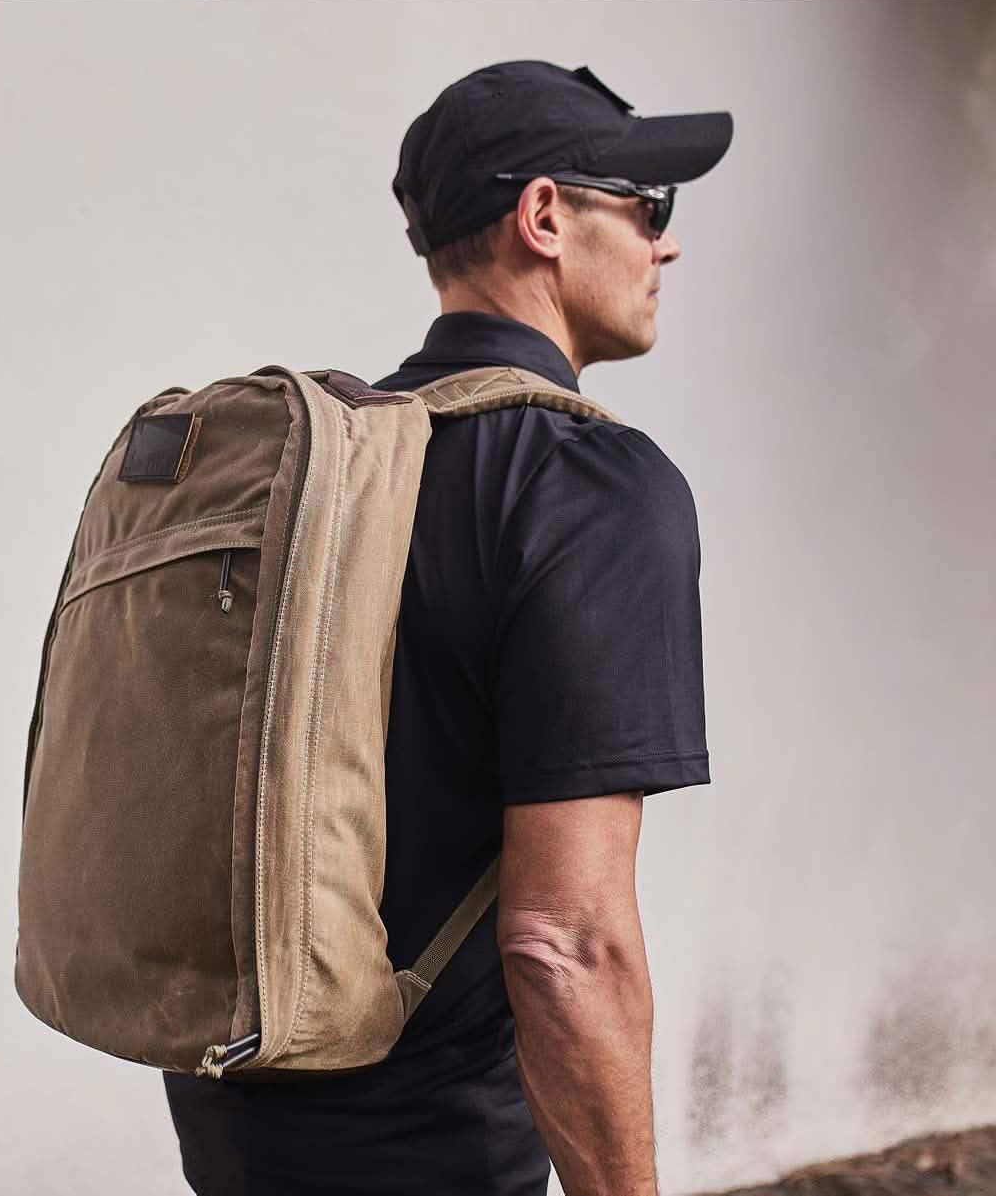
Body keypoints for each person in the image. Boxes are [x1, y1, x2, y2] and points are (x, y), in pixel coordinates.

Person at [163, 59, 733, 1196]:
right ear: (545, 217)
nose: (666, 244)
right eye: (648, 206)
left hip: (243, 1133)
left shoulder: (320, 478)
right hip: (445, 1151)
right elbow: (565, 942)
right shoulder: (585, 482)